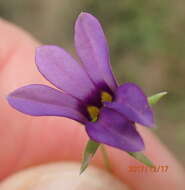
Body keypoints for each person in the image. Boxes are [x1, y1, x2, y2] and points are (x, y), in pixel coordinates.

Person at [0, 18, 184, 189]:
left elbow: (86, 27)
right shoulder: (100, 114)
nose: (103, 110)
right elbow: (24, 98)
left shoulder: (113, 103)